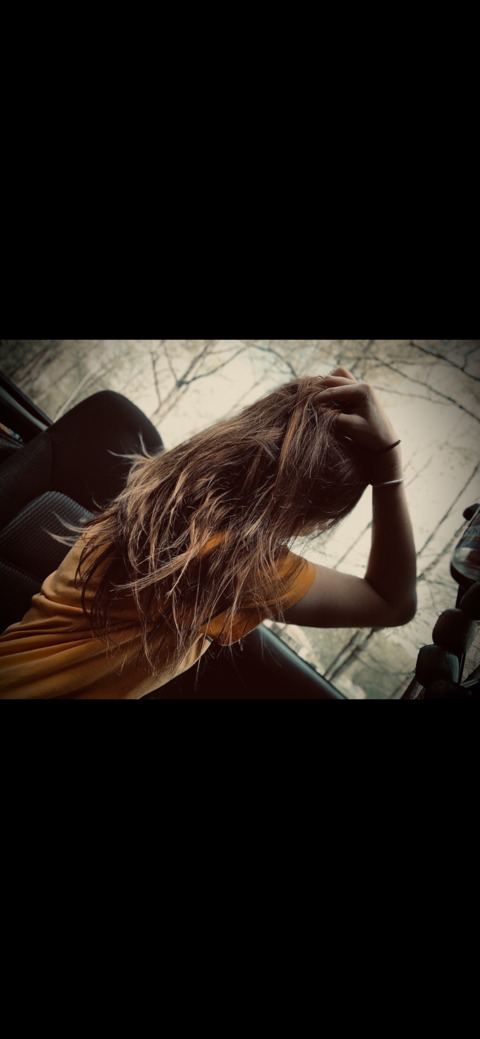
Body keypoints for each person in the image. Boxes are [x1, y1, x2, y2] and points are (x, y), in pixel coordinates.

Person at [0, 367, 417, 699]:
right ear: (316, 515)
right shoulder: (243, 564)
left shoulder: (160, 488)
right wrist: (389, 466)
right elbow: (390, 603)